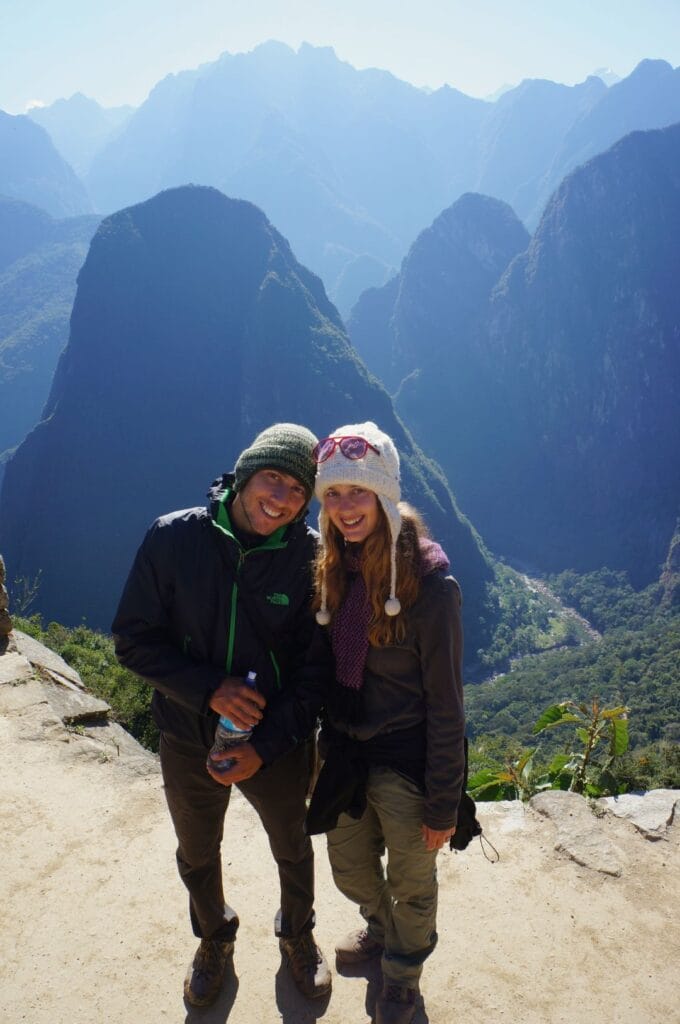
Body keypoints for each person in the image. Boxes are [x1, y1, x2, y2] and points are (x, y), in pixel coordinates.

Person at [112, 423, 331, 1007]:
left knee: (292, 842)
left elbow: (317, 677)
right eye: (272, 478)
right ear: (243, 474)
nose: (281, 498)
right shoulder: (172, 540)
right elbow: (132, 639)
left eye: (296, 490)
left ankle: (298, 934)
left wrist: (265, 745)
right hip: (187, 734)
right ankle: (213, 937)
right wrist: (209, 689)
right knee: (197, 847)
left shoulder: (313, 560)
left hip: (276, 745)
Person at [305, 422, 466, 1024]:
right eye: (334, 495)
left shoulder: (430, 585)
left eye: (359, 493)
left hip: (407, 754)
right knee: (348, 863)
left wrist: (443, 803)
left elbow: (448, 703)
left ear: (385, 496)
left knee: (412, 877)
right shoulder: (331, 568)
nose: (346, 508)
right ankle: (382, 927)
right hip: (347, 747)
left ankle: (402, 975)